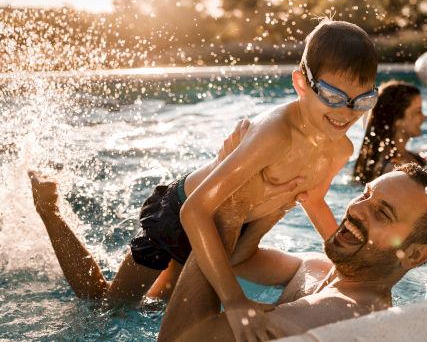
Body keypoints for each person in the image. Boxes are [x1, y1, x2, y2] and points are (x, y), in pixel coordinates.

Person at [29, 19, 379, 341]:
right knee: (109, 305)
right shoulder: (276, 133)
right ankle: (50, 210)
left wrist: (350, 263)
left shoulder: (339, 149)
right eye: (332, 97)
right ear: (301, 82)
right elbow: (195, 211)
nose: (345, 113)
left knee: (159, 303)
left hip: (229, 229)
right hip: (179, 215)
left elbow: (312, 201)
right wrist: (235, 299)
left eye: (362, 101)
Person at [159, 163, 427, 341]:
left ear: (415, 256)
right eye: (365, 194)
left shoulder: (341, 312)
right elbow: (239, 260)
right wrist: (278, 200)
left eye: (382, 213)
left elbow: (180, 340)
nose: (355, 209)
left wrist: (228, 206)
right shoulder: (319, 267)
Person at [353, 81, 426, 183]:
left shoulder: (411, 157)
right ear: (398, 120)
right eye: (418, 112)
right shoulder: (391, 170)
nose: (424, 117)